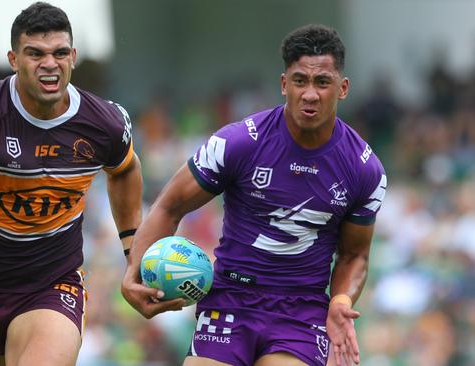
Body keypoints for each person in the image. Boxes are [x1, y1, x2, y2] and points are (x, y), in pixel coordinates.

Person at [122, 24, 387, 366]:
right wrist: (134, 272)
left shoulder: (364, 169)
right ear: (283, 84)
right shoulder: (239, 143)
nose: (310, 94)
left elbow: (354, 255)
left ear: (343, 88)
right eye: (299, 81)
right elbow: (169, 206)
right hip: (229, 297)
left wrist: (340, 302)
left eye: (322, 82)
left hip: (301, 311)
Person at [0, 2, 142, 365]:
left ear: (73, 57)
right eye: (35, 53)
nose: (49, 63)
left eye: (60, 52)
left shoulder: (107, 123)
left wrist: (133, 251)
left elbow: (126, 170)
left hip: (53, 280)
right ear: (13, 59)